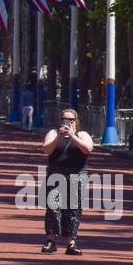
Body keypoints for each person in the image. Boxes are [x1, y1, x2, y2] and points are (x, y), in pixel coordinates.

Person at [40, 108, 93, 256]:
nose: (68, 122)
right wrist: (59, 136)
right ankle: (51, 241)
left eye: (71, 120)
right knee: (53, 208)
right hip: (56, 173)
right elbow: (46, 150)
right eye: (65, 119)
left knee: (73, 210)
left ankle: (71, 243)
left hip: (77, 174)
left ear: (76, 122)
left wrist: (72, 136)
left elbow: (88, 149)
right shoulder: (53, 133)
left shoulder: (82, 134)